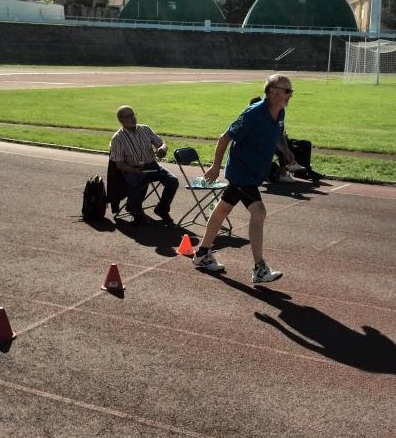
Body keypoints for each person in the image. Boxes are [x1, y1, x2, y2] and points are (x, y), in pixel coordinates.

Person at [192, 75, 295, 283]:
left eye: (291, 91)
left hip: (255, 171)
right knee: (259, 212)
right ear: (273, 92)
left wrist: (285, 151)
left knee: (222, 209)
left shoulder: (280, 111)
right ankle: (259, 268)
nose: (290, 95)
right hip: (241, 171)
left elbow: (278, 134)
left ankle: (202, 253)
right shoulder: (253, 114)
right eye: (287, 91)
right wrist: (214, 166)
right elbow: (224, 138)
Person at [109, 105, 179, 226]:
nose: (132, 118)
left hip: (152, 165)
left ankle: (161, 209)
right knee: (134, 183)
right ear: (121, 120)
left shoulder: (145, 129)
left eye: (133, 115)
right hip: (132, 169)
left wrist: (162, 149)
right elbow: (119, 165)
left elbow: (162, 143)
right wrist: (135, 170)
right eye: (128, 116)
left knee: (173, 181)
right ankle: (136, 212)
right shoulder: (117, 138)